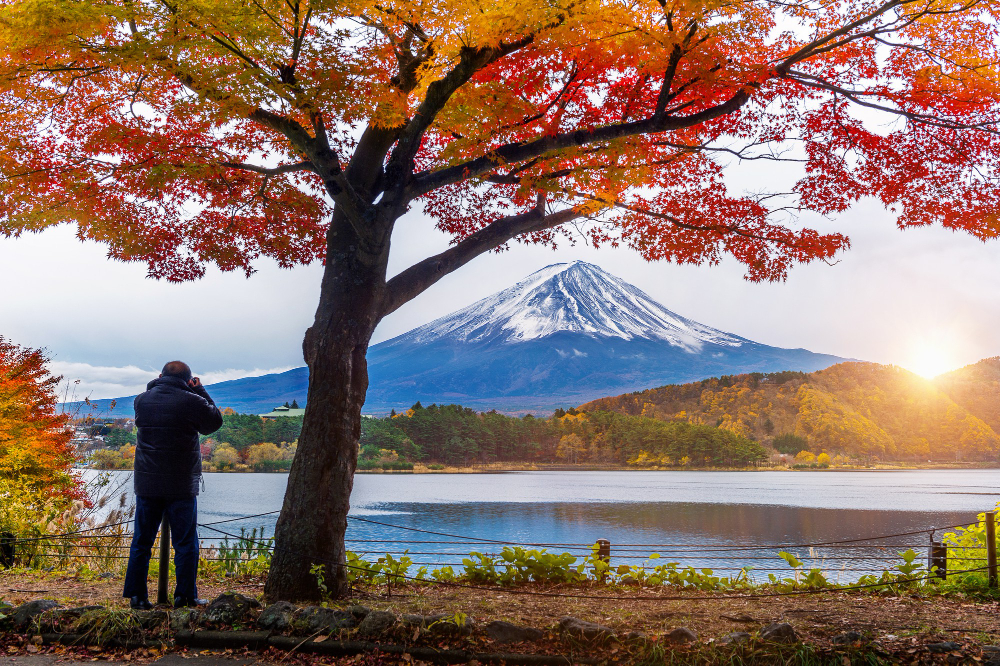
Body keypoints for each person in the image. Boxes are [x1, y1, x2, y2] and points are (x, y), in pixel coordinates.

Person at [123, 361, 223, 609]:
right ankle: (185, 596)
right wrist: (199, 390)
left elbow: (150, 393)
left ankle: (137, 597)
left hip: (147, 482)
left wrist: (156, 384)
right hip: (181, 484)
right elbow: (214, 423)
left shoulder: (141, 400)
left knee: (141, 542)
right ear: (189, 380)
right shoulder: (192, 401)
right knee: (185, 542)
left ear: (160, 376)